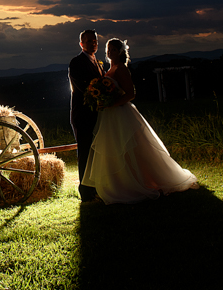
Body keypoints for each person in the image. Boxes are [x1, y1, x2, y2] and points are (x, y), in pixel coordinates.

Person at [82, 38, 199, 204]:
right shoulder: (109, 69)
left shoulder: (121, 68)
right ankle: (118, 183)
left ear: (120, 52)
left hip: (120, 113)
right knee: (114, 148)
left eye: (113, 50)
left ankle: (137, 182)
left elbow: (131, 93)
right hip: (109, 115)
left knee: (129, 148)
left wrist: (112, 103)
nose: (109, 52)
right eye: (108, 49)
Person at [68, 29, 103, 202]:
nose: (92, 43)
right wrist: (100, 99)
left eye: (94, 40)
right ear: (81, 44)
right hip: (82, 114)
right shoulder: (76, 62)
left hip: (97, 114)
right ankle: (86, 192)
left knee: (95, 152)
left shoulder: (98, 63)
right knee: (85, 153)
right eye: (88, 41)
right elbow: (83, 88)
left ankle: (96, 187)